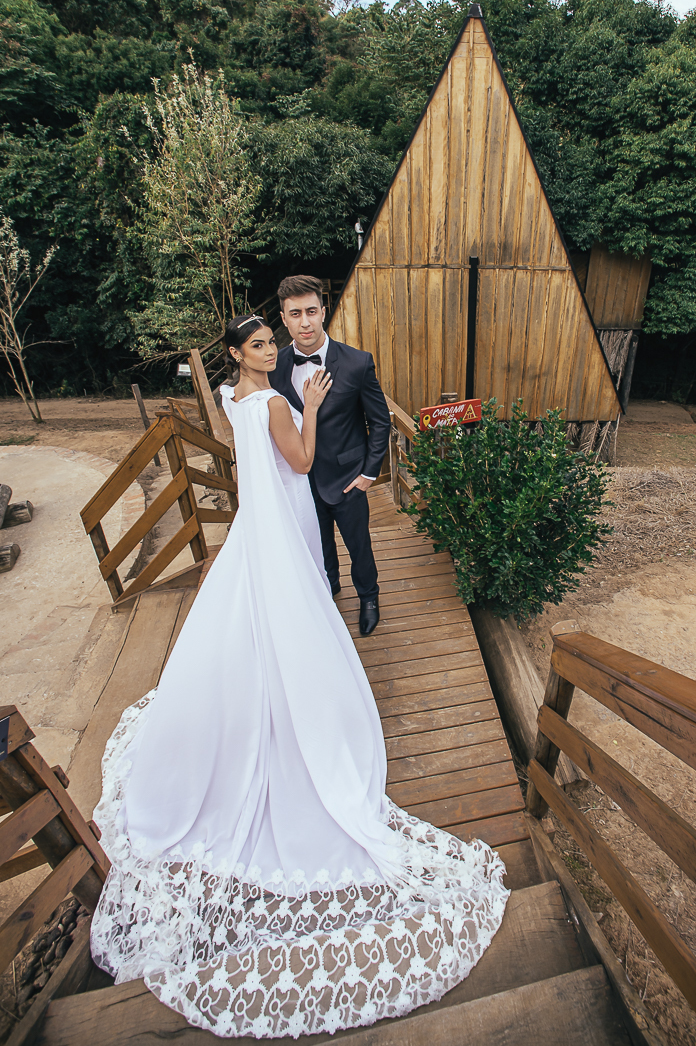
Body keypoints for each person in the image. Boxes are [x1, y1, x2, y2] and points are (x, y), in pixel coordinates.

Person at [90, 314, 508, 1040]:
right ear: (238, 354)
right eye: (258, 346)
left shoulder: (226, 397)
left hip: (256, 526)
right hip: (281, 524)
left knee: (243, 618)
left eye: (269, 344)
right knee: (293, 616)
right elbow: (301, 462)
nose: (270, 352)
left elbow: (242, 455)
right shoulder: (278, 401)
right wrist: (309, 408)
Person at [270, 275, 390, 636]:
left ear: (323, 312)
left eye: (311, 311)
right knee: (315, 547)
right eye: (295, 314)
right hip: (300, 482)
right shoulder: (273, 366)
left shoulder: (356, 363)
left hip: (348, 477)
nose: (304, 322)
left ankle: (369, 597)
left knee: (360, 547)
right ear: (284, 317)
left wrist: (369, 473)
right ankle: (328, 589)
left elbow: (380, 421)